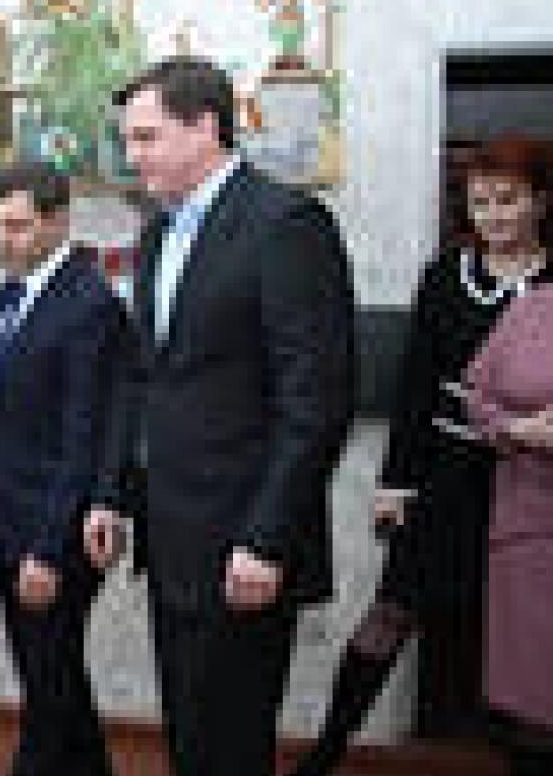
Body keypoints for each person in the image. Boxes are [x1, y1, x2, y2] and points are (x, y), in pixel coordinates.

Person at [98, 56, 355, 776]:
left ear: (205, 128)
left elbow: (315, 402)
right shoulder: (159, 234)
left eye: (146, 137)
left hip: (244, 543)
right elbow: (147, 378)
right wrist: (113, 493)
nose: (132, 156)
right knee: (191, 734)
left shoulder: (285, 225)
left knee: (233, 745)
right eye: (128, 139)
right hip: (171, 537)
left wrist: (267, 538)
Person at [290, 139, 552, 775]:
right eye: (480, 202)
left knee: (520, 633)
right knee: (392, 612)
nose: (493, 215)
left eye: (508, 200)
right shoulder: (444, 278)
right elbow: (416, 387)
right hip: (445, 476)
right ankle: (327, 751)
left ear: (540, 202)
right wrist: (395, 482)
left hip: (528, 483)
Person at [0, 160, 127, 776]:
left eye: (18, 226)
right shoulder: (8, 294)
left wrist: (50, 550)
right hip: (8, 516)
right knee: (50, 673)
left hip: (57, 529)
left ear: (58, 222)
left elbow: (84, 438)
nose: (3, 239)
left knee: (48, 687)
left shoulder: (90, 304)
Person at [464, 247, 553, 774]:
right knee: (532, 700)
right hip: (529, 528)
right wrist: (517, 428)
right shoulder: (533, 307)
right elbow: (476, 395)